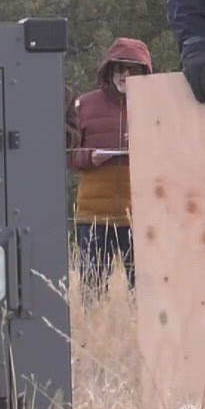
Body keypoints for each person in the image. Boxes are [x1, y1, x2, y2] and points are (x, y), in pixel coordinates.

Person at [67, 38, 152, 298]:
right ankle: (94, 336)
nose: (124, 75)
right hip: (94, 215)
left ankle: (138, 337)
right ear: (109, 71)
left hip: (142, 216)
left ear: (143, 73)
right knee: (92, 290)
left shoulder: (157, 105)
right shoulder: (85, 104)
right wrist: (90, 157)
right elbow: (68, 155)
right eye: (119, 69)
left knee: (145, 292)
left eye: (132, 69)